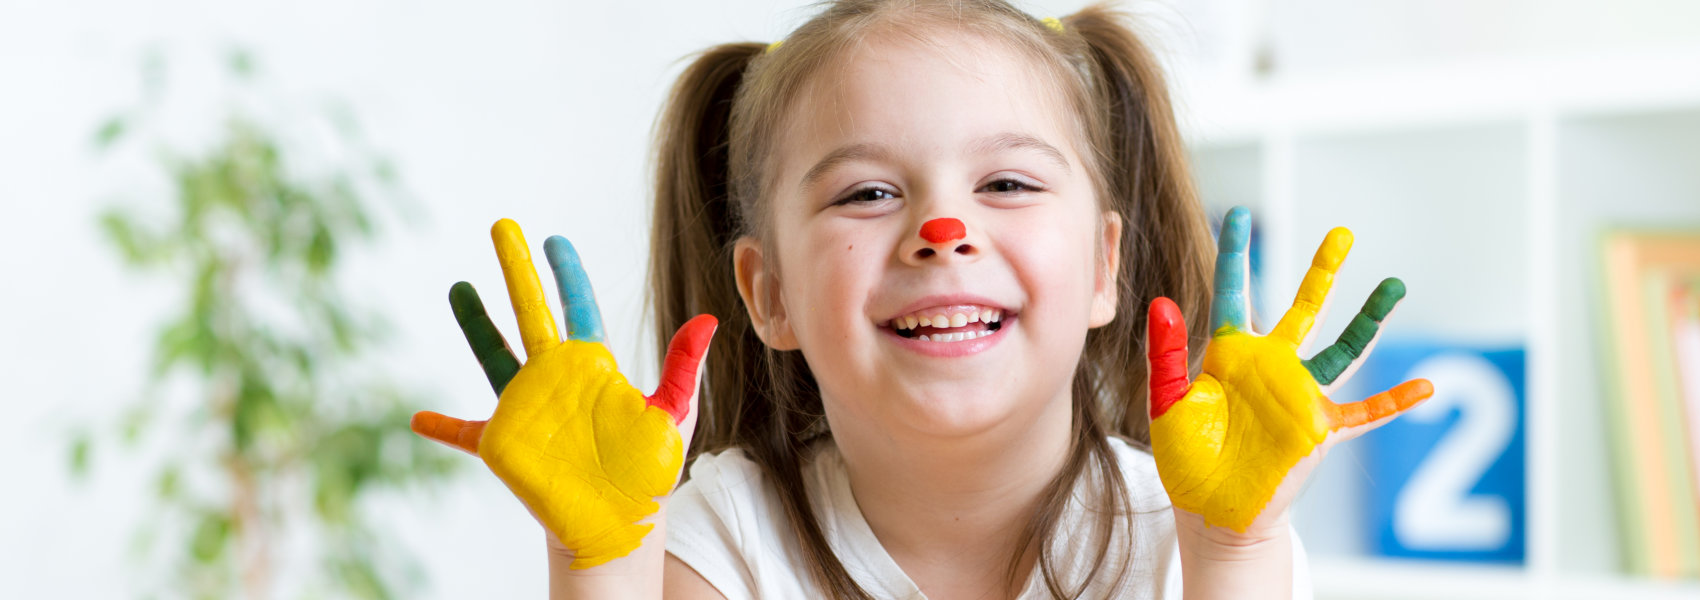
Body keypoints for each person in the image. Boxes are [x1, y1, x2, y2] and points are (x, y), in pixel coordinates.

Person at [411, 1, 1432, 598]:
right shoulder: (725, 541)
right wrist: (598, 562)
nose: (944, 232)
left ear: (1104, 269)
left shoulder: (1192, 527)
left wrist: (1238, 550)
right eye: (867, 193)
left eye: (1008, 184)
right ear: (767, 295)